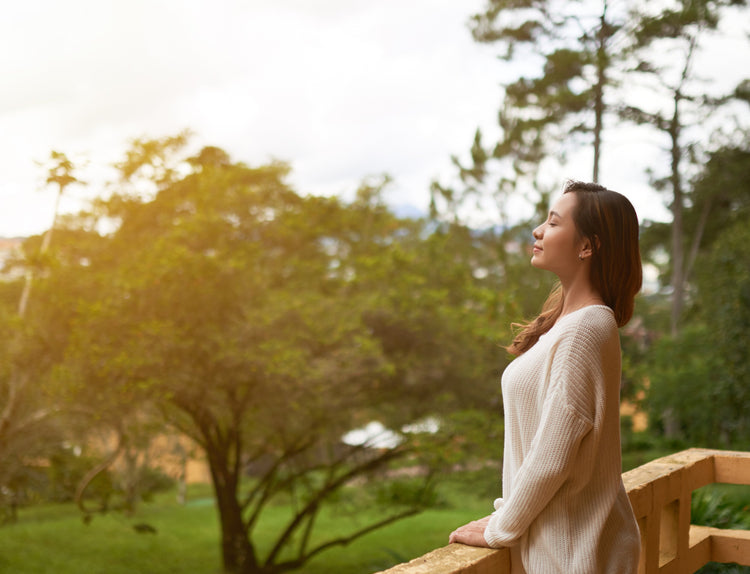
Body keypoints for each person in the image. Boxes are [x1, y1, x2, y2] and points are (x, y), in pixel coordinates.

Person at [449, 181, 642, 573]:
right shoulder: (568, 325)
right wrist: (507, 513)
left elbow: (553, 457)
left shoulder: (587, 327)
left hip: (576, 555)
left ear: (587, 246)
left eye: (553, 223)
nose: (538, 231)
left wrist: (500, 528)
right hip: (562, 549)